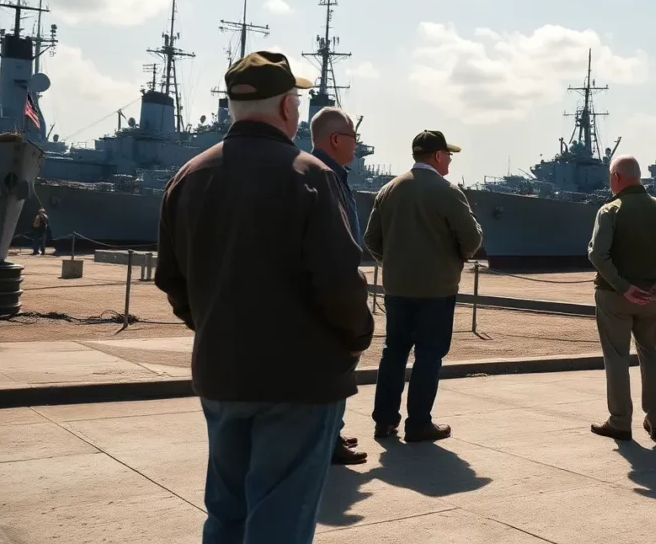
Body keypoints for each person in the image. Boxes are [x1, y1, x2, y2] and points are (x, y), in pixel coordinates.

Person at [155, 51, 374, 544]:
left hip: (221, 372)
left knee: (227, 513)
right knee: (281, 518)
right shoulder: (311, 176)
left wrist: (214, 326)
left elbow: (172, 279)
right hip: (299, 381)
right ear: (287, 108)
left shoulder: (187, 177)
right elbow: (339, 282)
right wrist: (356, 339)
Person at [364, 129, 483, 442]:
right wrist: (456, 257)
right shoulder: (448, 191)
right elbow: (472, 238)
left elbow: (371, 239)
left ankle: (385, 422)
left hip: (397, 289)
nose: (450, 163)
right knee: (429, 355)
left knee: (393, 353)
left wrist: (391, 264)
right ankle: (418, 424)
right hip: (436, 290)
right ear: (438, 155)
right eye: (449, 156)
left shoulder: (389, 189)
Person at [587, 155, 656, 441]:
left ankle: (620, 421)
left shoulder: (610, 210)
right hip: (653, 299)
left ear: (617, 177)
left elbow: (597, 254)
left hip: (614, 297)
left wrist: (623, 286)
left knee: (617, 358)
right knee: (653, 356)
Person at [310, 105, 367, 466]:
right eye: (353, 137)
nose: (357, 145)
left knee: (338, 368)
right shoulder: (321, 178)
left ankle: (333, 430)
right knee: (332, 367)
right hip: (332, 294)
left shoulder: (333, 176)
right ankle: (327, 441)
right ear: (335, 139)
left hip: (338, 287)